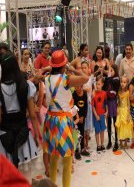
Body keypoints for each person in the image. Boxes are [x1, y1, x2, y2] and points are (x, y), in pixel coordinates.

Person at [0, 52, 40, 168]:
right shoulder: (26, 85)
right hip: (24, 136)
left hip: (5, 138)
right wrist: (36, 134)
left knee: (8, 178)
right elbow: (33, 115)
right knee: (26, 178)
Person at [43, 50, 89, 187]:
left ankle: (52, 184)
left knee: (54, 157)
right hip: (63, 121)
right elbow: (85, 77)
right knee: (67, 160)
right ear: (64, 65)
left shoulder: (47, 79)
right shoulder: (66, 79)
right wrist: (71, 67)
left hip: (50, 120)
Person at [115, 75, 133, 149]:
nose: (123, 83)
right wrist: (117, 109)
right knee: (120, 126)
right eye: (121, 82)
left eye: (124, 82)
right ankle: (120, 142)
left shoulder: (128, 92)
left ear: (127, 84)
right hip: (120, 110)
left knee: (125, 126)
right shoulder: (118, 92)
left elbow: (128, 104)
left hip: (125, 111)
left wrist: (128, 114)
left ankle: (125, 142)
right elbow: (118, 102)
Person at [73, 85, 90, 159]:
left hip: (82, 117)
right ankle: (76, 150)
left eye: (78, 87)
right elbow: (73, 106)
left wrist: (83, 116)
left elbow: (86, 107)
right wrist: (77, 117)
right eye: (75, 87)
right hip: (76, 117)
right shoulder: (73, 94)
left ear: (81, 86)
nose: (76, 88)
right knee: (76, 134)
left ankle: (83, 148)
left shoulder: (85, 94)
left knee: (82, 132)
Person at [106, 64, 120, 152]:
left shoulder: (116, 79)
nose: (109, 72)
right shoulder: (108, 79)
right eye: (109, 70)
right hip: (108, 103)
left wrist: (108, 77)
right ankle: (109, 141)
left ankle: (116, 142)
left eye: (111, 70)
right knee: (109, 123)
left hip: (114, 102)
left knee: (115, 123)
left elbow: (115, 83)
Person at [92, 76, 108, 152]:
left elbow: (105, 103)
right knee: (97, 130)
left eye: (99, 84)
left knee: (102, 130)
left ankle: (102, 144)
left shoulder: (104, 93)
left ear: (102, 84)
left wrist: (107, 111)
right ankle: (98, 145)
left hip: (102, 115)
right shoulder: (94, 94)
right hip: (96, 116)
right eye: (96, 84)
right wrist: (96, 115)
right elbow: (93, 106)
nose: (97, 86)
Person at [81, 61, 94, 151]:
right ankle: (83, 144)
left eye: (85, 67)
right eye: (82, 68)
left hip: (88, 104)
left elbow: (91, 90)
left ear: (88, 69)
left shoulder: (90, 79)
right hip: (81, 104)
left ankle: (86, 143)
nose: (83, 69)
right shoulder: (79, 79)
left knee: (88, 125)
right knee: (83, 125)